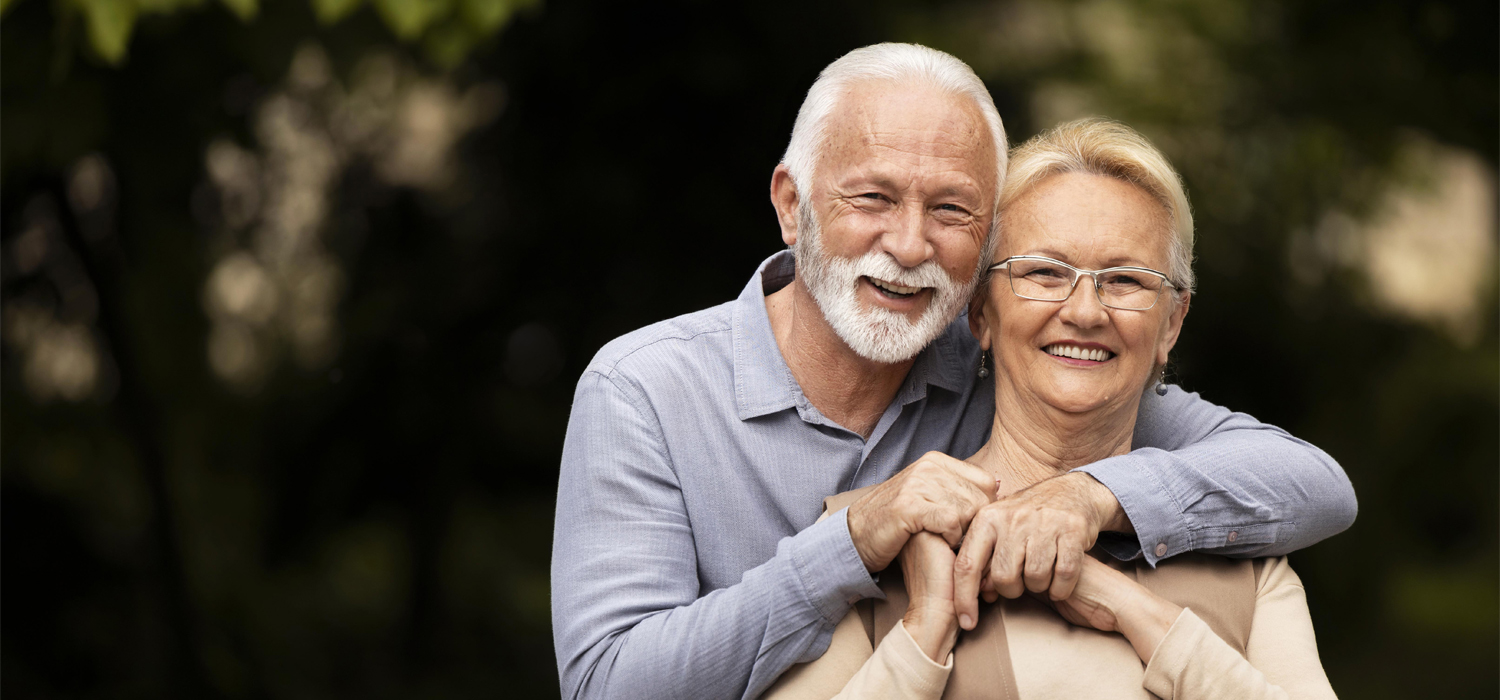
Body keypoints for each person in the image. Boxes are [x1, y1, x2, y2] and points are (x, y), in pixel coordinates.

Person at [551, 43, 1356, 700]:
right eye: (873, 197)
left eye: (951, 210)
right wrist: (854, 543)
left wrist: (1088, 496)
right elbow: (609, 686)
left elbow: (1311, 483)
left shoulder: (1012, 363)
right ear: (793, 204)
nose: (909, 245)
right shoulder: (643, 391)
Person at [764, 117, 1338, 700]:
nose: (1086, 312)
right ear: (980, 315)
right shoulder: (871, 536)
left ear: (1171, 324)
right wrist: (922, 632)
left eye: (1125, 280)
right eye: (1043, 272)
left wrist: (1135, 611)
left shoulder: (1246, 563)